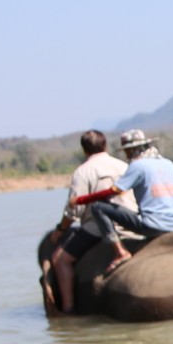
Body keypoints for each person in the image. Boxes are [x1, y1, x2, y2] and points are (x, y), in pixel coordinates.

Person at [48, 129, 136, 314]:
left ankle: (68, 309)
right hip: (131, 222)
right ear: (105, 145)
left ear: (84, 150)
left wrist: (60, 229)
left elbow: (74, 210)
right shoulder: (123, 166)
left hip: (97, 228)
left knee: (59, 260)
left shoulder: (83, 171)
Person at [73, 127, 173, 240]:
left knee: (97, 207)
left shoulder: (138, 165)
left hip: (151, 226)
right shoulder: (169, 164)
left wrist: (80, 200)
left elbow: (114, 191)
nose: (126, 155)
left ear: (131, 150)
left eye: (126, 151)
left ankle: (118, 250)